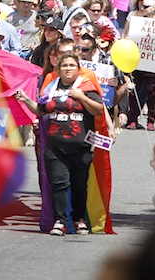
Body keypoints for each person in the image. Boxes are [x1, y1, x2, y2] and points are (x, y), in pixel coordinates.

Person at [14, 52, 104, 236]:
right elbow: (40, 110)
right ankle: (60, 221)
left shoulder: (87, 87)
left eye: (72, 65)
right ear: (58, 70)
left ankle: (79, 220)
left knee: (79, 186)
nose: (68, 69)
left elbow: (98, 111)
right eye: (64, 66)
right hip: (56, 148)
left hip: (81, 148)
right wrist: (25, 100)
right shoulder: (51, 89)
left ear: (78, 69)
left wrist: (81, 97)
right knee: (59, 184)